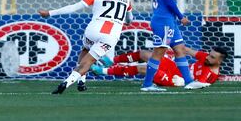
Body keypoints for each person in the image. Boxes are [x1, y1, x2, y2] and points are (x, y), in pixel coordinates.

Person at [39, 0, 133, 94]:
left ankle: (81, 81)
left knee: (85, 50)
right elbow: (129, 20)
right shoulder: (127, 0)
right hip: (111, 36)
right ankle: (69, 82)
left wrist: (49, 13)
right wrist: (123, 22)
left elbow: (73, 7)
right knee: (89, 61)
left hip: (93, 31)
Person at [141, 0, 210, 91]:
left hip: (169, 20)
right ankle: (147, 84)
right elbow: (169, 2)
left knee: (180, 49)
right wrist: (181, 16)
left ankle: (188, 81)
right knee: (159, 52)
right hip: (163, 20)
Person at [91, 46, 227, 87]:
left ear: (219, 62)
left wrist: (184, 82)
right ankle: (112, 61)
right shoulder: (205, 58)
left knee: (144, 68)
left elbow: (199, 85)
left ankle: (103, 71)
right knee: (145, 54)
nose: (208, 57)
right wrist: (174, 45)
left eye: (212, 57)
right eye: (209, 54)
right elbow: (186, 50)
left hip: (176, 79)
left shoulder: (211, 74)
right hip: (176, 68)